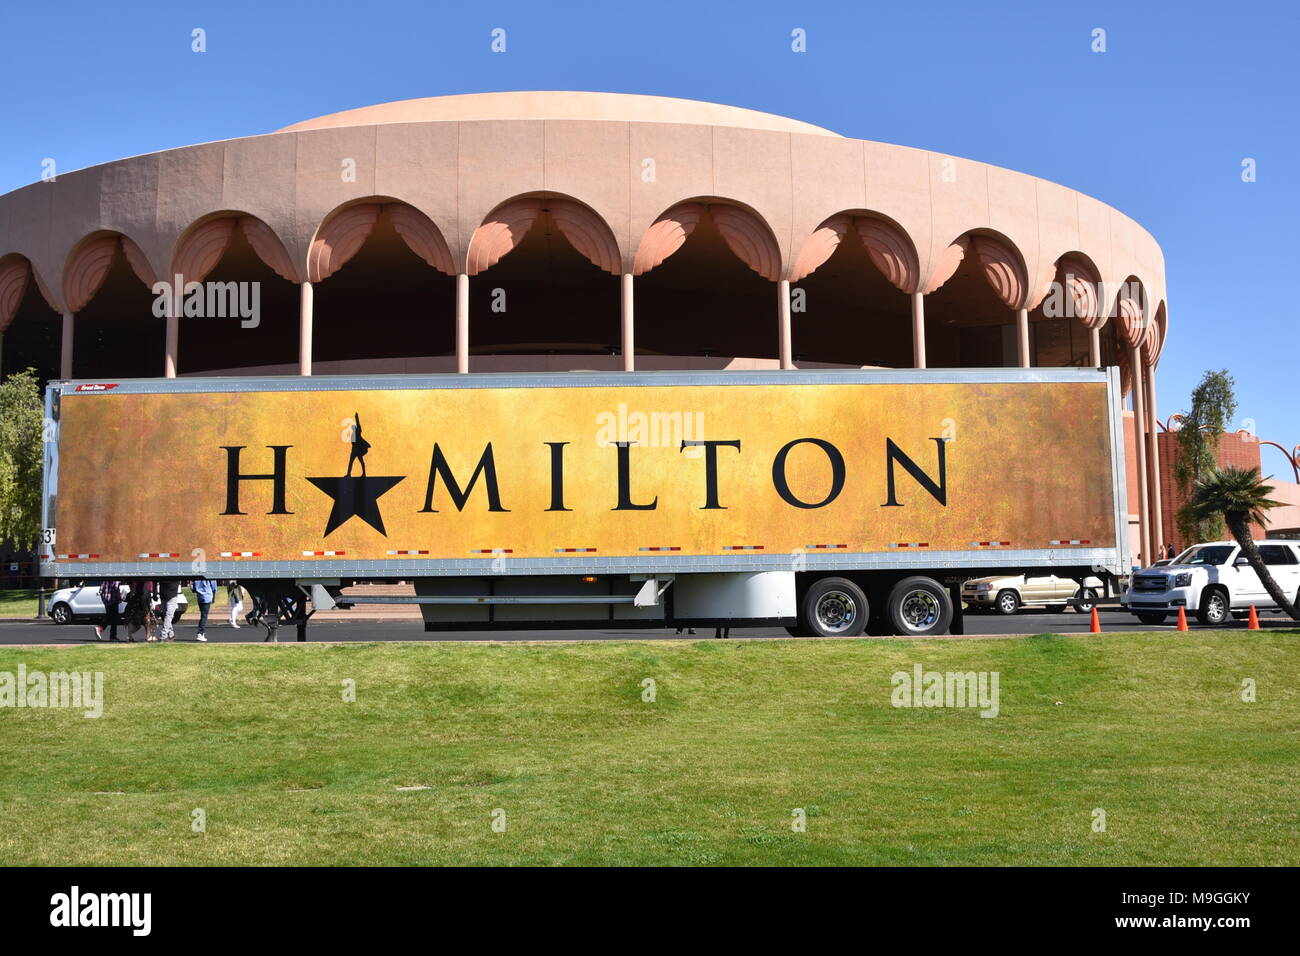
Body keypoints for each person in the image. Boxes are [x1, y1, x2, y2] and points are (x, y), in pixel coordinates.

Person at [191, 577, 216, 642]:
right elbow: (214, 586)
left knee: (203, 615)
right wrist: (214, 597)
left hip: (199, 597)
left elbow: (192, 587)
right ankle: (200, 632)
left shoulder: (197, 576)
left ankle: (202, 632)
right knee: (204, 616)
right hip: (207, 596)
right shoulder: (210, 575)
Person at [346, 412, 370, 477]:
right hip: (354, 451)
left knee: (361, 462)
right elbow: (353, 443)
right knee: (351, 462)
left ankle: (364, 473)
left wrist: (356, 418)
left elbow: (358, 424)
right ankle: (348, 474)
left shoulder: (358, 432)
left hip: (358, 451)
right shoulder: (353, 435)